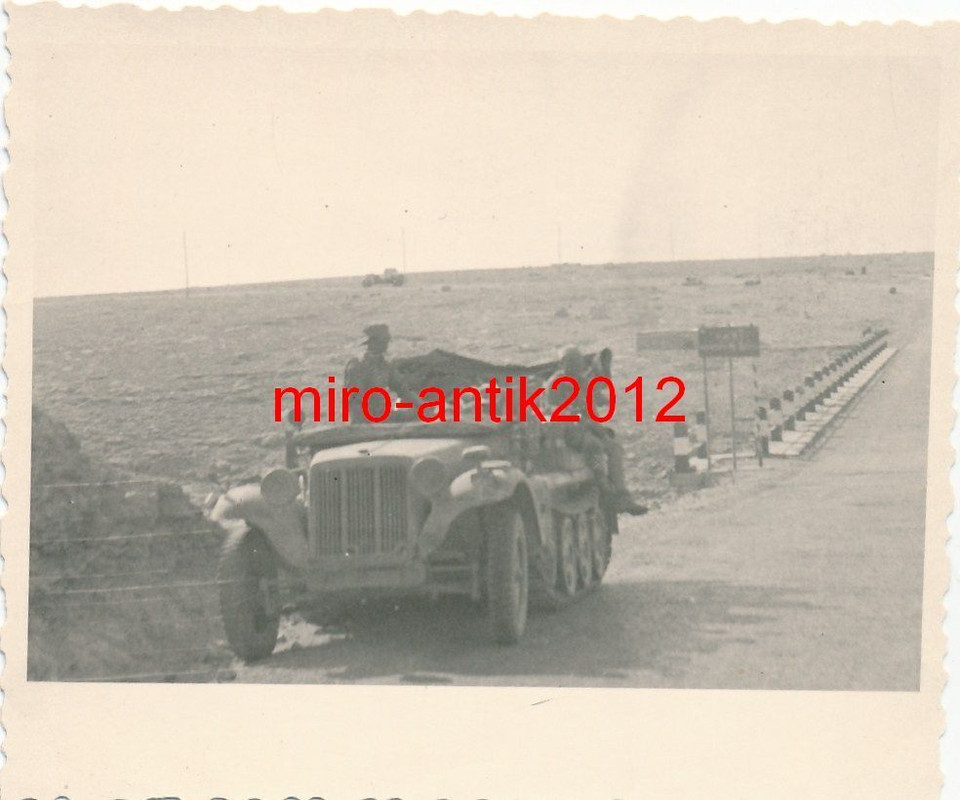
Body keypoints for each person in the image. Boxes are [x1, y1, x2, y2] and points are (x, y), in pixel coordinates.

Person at [543, 345, 647, 516]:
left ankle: (621, 495)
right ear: (563, 363)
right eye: (573, 362)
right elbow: (557, 413)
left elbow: (594, 402)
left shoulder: (580, 381)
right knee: (595, 448)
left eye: (579, 362)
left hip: (585, 427)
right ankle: (603, 485)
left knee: (613, 447)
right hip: (566, 431)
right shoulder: (556, 384)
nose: (578, 366)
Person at [344, 324, 412, 422]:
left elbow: (403, 389)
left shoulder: (384, 364)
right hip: (365, 419)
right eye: (384, 340)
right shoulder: (357, 366)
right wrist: (363, 427)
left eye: (386, 341)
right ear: (373, 342)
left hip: (382, 415)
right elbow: (354, 402)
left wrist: (423, 409)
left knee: (413, 414)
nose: (386, 344)